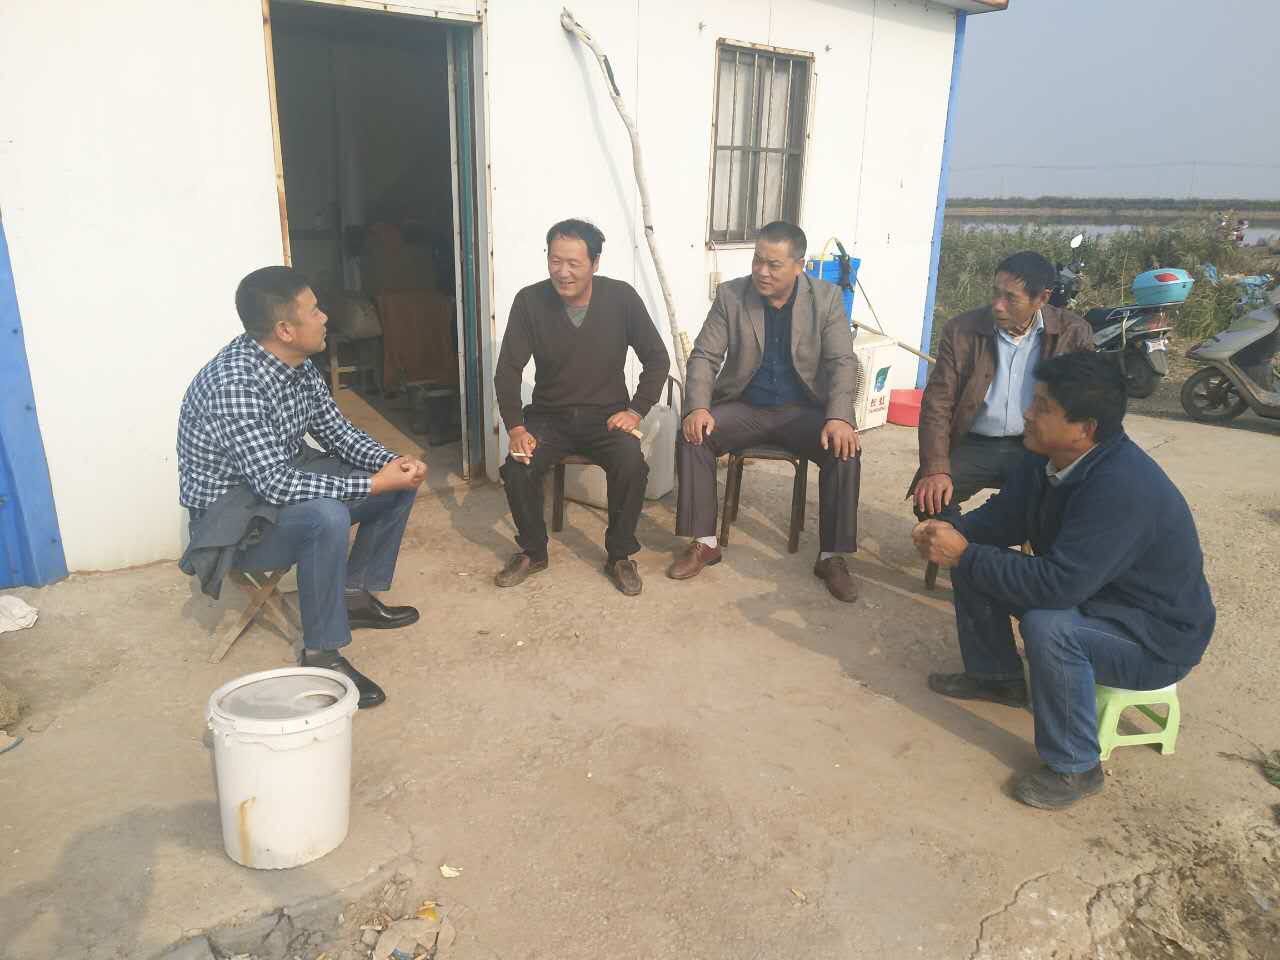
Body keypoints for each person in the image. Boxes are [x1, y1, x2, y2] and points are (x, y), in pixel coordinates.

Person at [913, 352, 1215, 810]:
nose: (1028, 414)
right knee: (976, 560)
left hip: (1153, 638)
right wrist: (949, 531)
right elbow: (1003, 519)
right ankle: (996, 678)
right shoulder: (1045, 458)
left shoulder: (1122, 488)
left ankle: (1076, 767)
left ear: (1084, 428)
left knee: (1049, 626)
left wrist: (965, 552)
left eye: (1043, 407)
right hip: (1096, 599)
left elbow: (1057, 588)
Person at [178, 266, 426, 709]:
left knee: (396, 485)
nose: (325, 317)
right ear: (285, 330)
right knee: (326, 515)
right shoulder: (234, 385)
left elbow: (337, 431)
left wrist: (390, 464)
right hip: (233, 523)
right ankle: (322, 655)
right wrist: (371, 482)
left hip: (273, 487)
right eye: (314, 311)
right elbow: (274, 483)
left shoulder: (298, 366)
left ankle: (352, 595)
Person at [668, 221, 861, 602]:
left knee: (846, 448)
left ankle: (832, 556)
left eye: (774, 264)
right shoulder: (732, 295)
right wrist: (698, 407)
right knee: (693, 435)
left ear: (799, 266)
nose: (762, 271)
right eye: (757, 260)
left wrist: (840, 417)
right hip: (746, 406)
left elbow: (842, 361)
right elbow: (704, 356)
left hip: (802, 411)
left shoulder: (825, 299)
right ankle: (705, 542)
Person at [492, 219, 671, 596]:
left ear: (595, 263)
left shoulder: (621, 298)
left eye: (574, 263)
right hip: (549, 417)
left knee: (631, 464)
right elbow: (507, 370)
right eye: (555, 260)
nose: (563, 272)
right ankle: (533, 551)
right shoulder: (529, 301)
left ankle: (620, 555)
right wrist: (516, 428)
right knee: (518, 466)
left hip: (606, 417)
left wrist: (635, 411)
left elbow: (657, 359)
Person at [912, 252, 1093, 583]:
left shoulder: (1073, 333)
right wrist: (936, 468)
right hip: (975, 442)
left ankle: (984, 559)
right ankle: (969, 551)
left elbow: (1086, 403)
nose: (998, 305)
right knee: (929, 499)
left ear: (1042, 299)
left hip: (1038, 447)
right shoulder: (962, 330)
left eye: (1011, 298)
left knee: (1061, 505)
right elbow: (938, 403)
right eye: (995, 293)